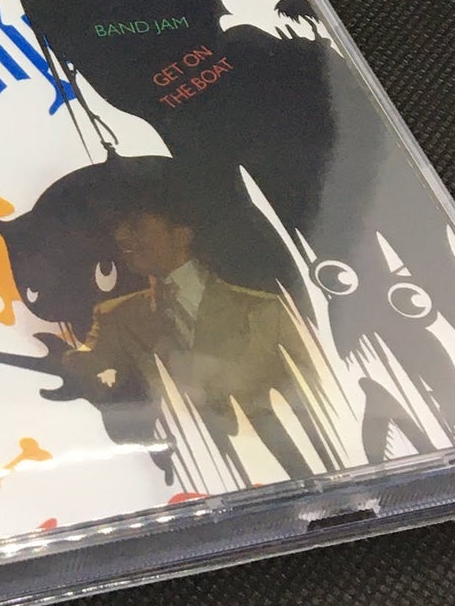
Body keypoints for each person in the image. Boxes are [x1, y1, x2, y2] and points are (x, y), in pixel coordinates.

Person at [65, 196, 324, 485]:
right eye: (120, 231)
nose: (122, 236)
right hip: (192, 471)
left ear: (181, 235)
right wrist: (67, 363)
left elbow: (316, 388)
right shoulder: (117, 316)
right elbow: (89, 372)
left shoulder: (266, 309)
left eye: (136, 225)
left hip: (288, 465)